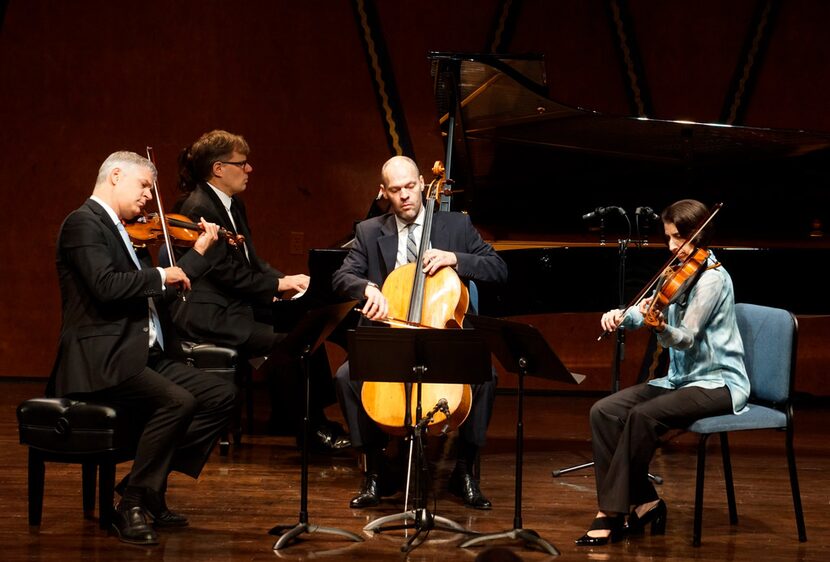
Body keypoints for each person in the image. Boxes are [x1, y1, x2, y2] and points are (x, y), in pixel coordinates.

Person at [47, 151, 236, 545]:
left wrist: (196, 256)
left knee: (221, 394)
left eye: (151, 188)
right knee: (177, 402)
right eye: (144, 185)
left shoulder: (129, 232)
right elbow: (105, 286)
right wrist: (158, 273)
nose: (149, 195)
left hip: (142, 356)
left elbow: (159, 295)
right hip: (103, 358)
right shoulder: (83, 224)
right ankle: (133, 503)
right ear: (116, 176)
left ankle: (142, 486)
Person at [332, 155, 508, 509]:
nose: (405, 196)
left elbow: (497, 268)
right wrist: (368, 289)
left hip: (441, 334)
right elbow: (341, 276)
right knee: (346, 376)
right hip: (392, 333)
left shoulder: (456, 227)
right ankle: (376, 471)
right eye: (396, 190)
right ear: (384, 193)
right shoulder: (369, 231)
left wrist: (455, 259)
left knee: (485, 376)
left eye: (411, 187)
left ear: (422, 183)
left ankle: (465, 469)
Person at [576, 199, 749, 546]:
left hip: (718, 383)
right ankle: (647, 503)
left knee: (642, 416)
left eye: (678, 239)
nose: (670, 246)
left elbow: (685, 339)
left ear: (699, 236)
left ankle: (610, 513)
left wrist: (660, 329)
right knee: (605, 411)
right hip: (680, 381)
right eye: (668, 237)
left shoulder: (712, 281)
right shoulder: (677, 271)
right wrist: (623, 314)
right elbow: (650, 308)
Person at [170, 130, 348, 451]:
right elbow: (222, 271)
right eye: (242, 163)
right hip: (212, 315)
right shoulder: (198, 207)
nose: (249, 169)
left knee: (310, 325)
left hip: (235, 305)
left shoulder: (233, 205)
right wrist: (276, 286)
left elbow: (251, 260)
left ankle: (304, 418)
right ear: (219, 169)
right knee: (290, 343)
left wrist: (287, 279)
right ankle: (309, 430)